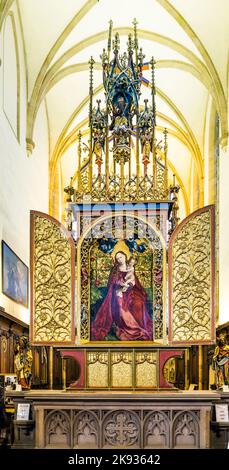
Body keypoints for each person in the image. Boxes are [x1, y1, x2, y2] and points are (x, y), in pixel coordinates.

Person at [91, 251, 153, 341]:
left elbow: (134, 281)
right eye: (117, 258)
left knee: (138, 303)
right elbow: (112, 282)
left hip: (131, 291)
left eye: (121, 257)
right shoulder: (115, 269)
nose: (120, 259)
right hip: (117, 290)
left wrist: (129, 285)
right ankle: (131, 328)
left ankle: (140, 326)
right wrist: (120, 284)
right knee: (120, 303)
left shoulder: (130, 267)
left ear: (125, 256)